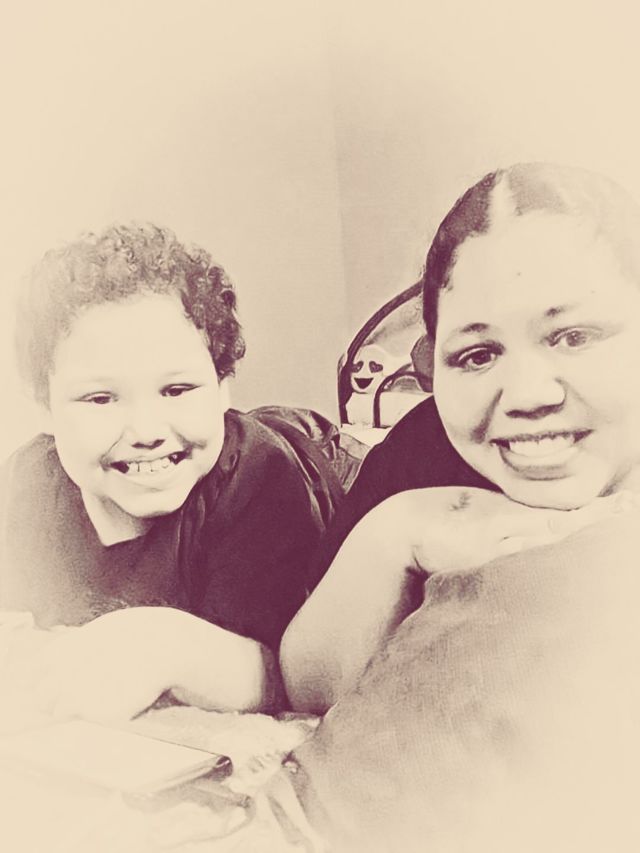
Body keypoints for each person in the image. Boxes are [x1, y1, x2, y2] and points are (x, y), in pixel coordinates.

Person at [280, 162, 640, 714]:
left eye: (572, 337)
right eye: (477, 355)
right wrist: (396, 533)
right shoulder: (420, 451)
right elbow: (311, 695)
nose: (526, 395)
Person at [0, 222, 339, 719]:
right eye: (100, 398)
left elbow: (288, 677)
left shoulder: (259, 482)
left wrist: (165, 647)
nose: (146, 430)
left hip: (313, 458)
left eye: (177, 390)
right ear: (45, 409)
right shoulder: (28, 487)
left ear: (222, 387)